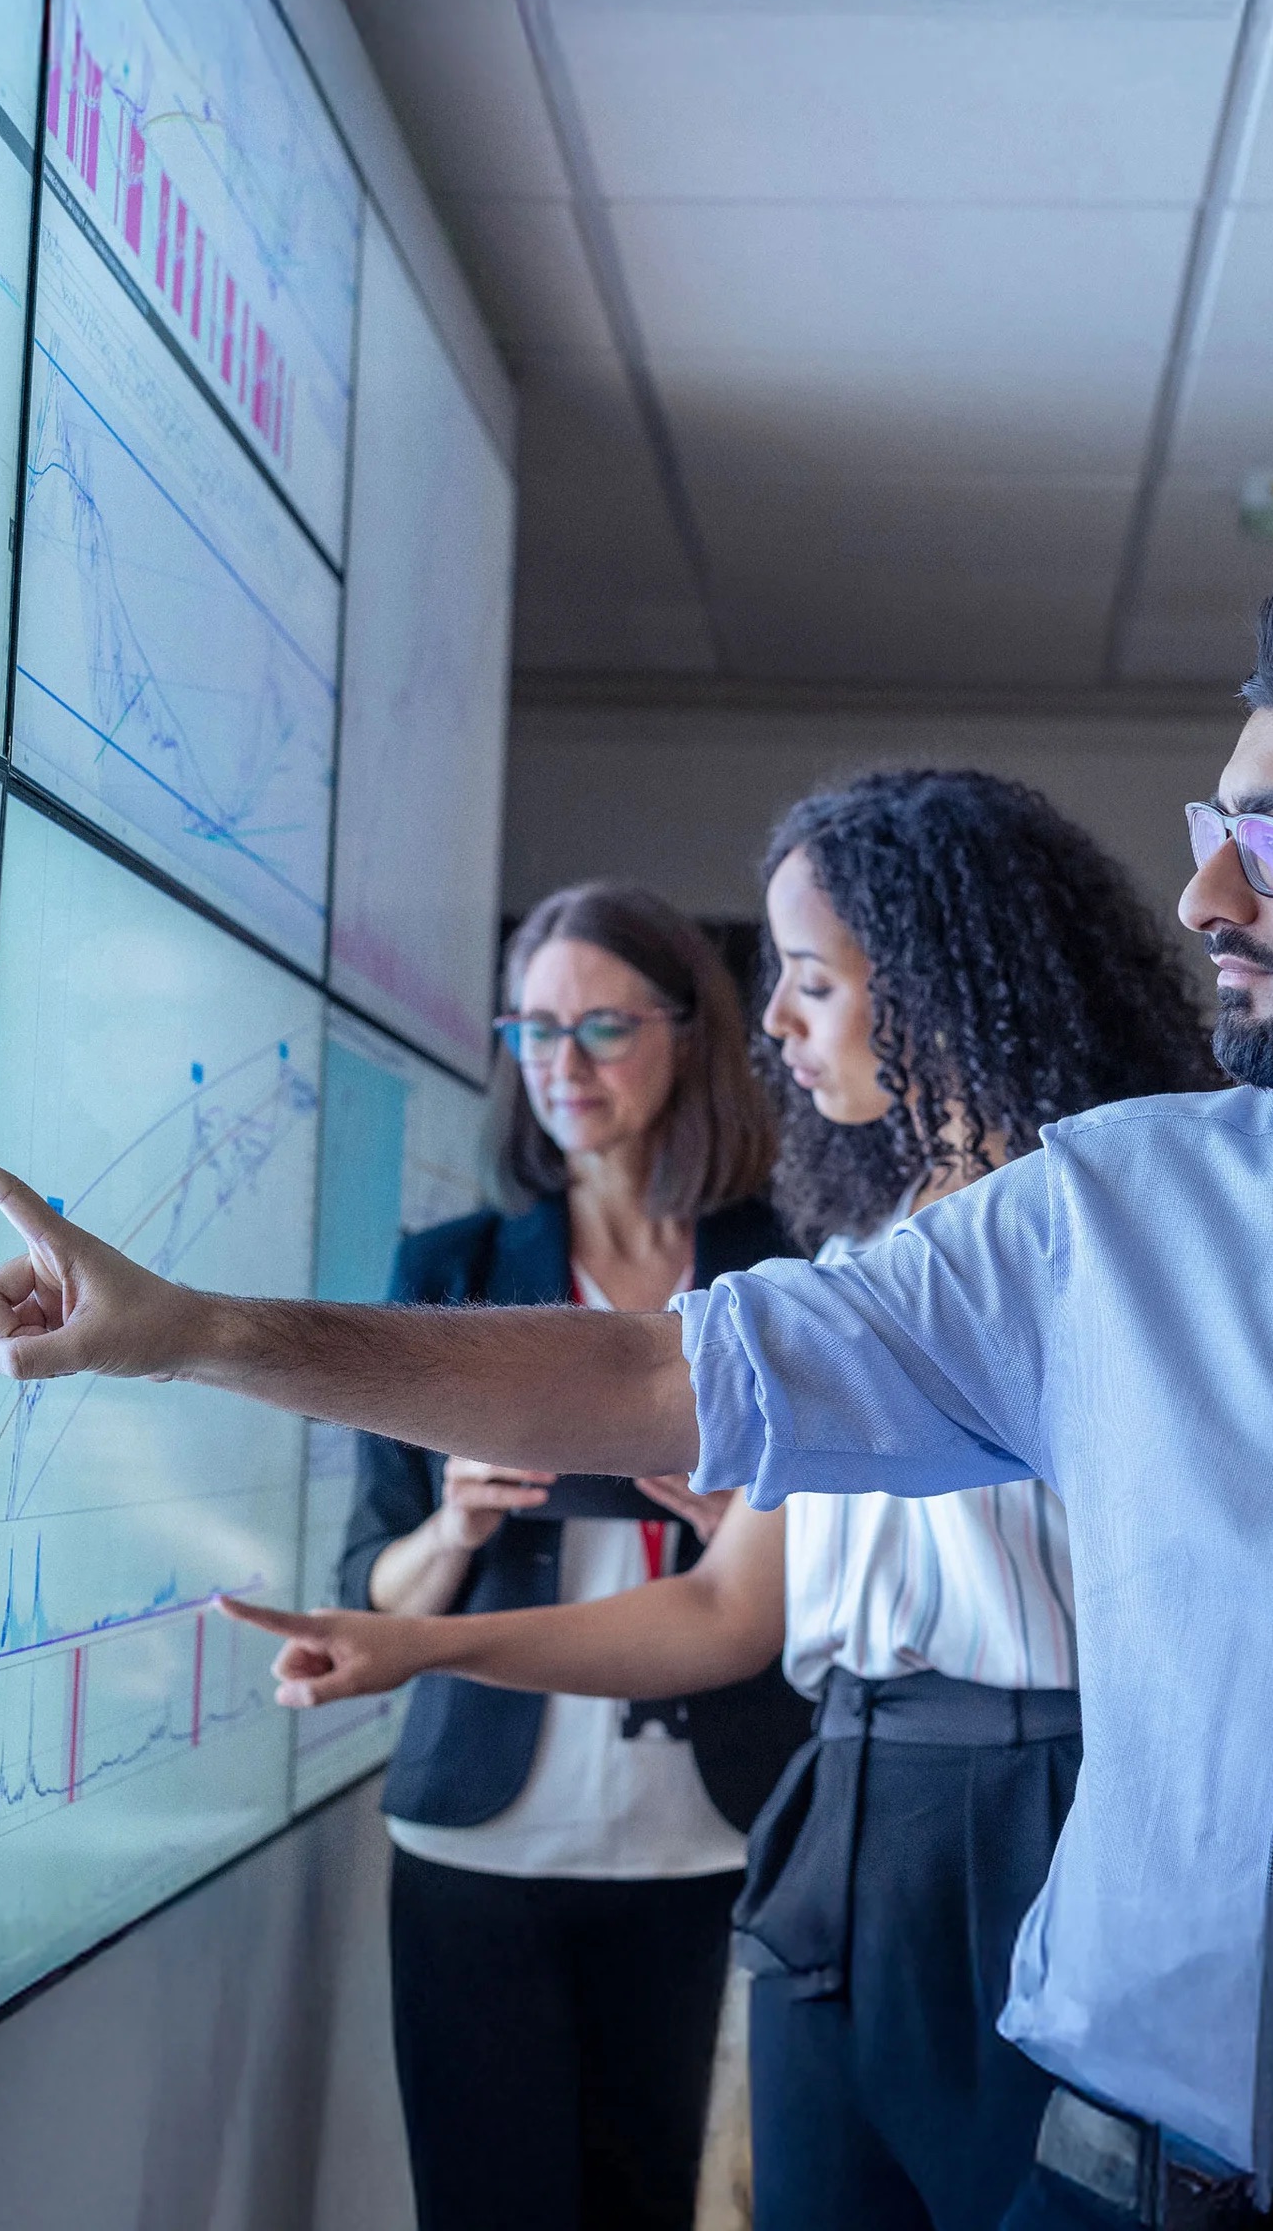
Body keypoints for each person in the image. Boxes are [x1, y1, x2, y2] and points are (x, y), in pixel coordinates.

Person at [0, 554, 1273, 2231]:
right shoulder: (1110, 1218)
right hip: (1105, 2182)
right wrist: (197, 1331)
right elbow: (672, 1373)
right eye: (1208, 838)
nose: (1206, 901)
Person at [230, 770, 1217, 2231]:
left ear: (938, 986)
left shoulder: (1116, 1238)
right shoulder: (859, 1260)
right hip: (843, 1813)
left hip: (1035, 1806)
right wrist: (418, 1642)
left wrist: (207, 1334)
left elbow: (657, 1428)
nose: (779, 1024)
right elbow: (720, 1607)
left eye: (811, 980)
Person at [341, 880, 813, 2231]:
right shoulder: (455, 1268)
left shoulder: (786, 1267)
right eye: (534, 1031)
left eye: (601, 1026)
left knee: (663, 2202)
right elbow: (371, 1580)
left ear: (688, 1034)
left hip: (711, 1835)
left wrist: (743, 1529)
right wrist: (458, 1520)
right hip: (480, 1839)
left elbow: (857, 1577)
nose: (562, 1065)